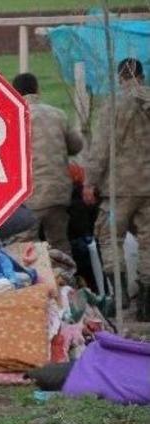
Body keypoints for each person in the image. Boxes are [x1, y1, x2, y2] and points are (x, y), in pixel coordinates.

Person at [83, 58, 150, 321]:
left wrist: (90, 181)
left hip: (118, 188)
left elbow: (100, 147)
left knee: (110, 236)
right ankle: (147, 304)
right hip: (148, 187)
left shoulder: (112, 104)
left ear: (120, 77)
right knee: (148, 242)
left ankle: (120, 296)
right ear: (141, 76)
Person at [12, 72, 84, 254]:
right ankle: (67, 279)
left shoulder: (12, 116)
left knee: (28, 246)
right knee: (59, 241)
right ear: (37, 89)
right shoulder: (58, 114)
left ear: (13, 92)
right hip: (58, 192)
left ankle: (39, 282)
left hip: (29, 197)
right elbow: (76, 146)